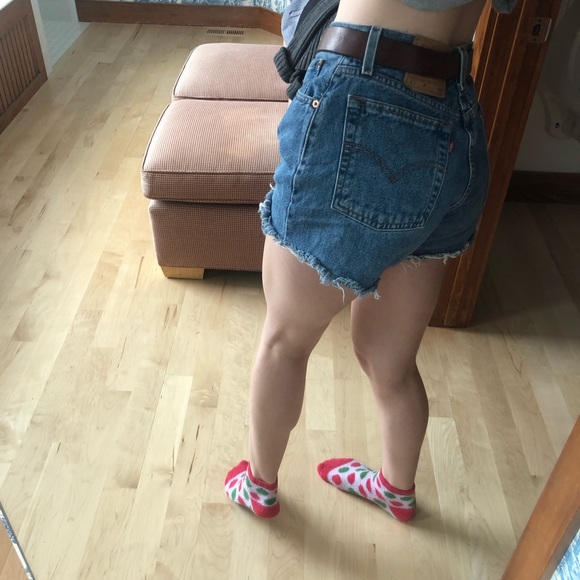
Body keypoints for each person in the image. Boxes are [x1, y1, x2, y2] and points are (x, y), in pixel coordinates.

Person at [225, 0, 517, 520]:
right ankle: (396, 490)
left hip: (365, 92)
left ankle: (258, 485)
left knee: (285, 341)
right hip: (455, 111)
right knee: (392, 363)